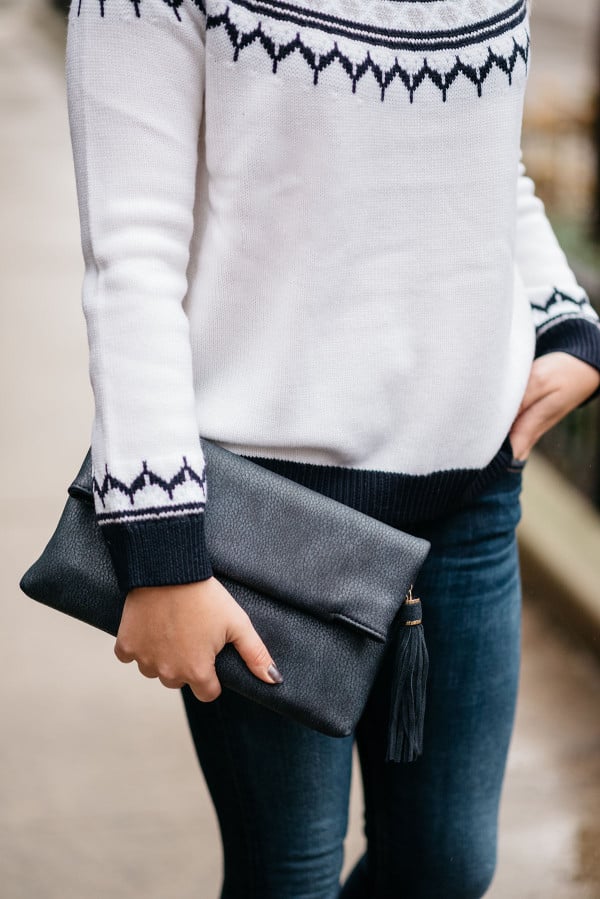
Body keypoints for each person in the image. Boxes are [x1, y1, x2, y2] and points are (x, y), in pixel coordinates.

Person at [64, 0, 600, 895]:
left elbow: (484, 166)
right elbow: (131, 255)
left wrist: (566, 323)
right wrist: (160, 549)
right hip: (270, 523)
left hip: (469, 499)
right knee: (290, 877)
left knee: (448, 868)